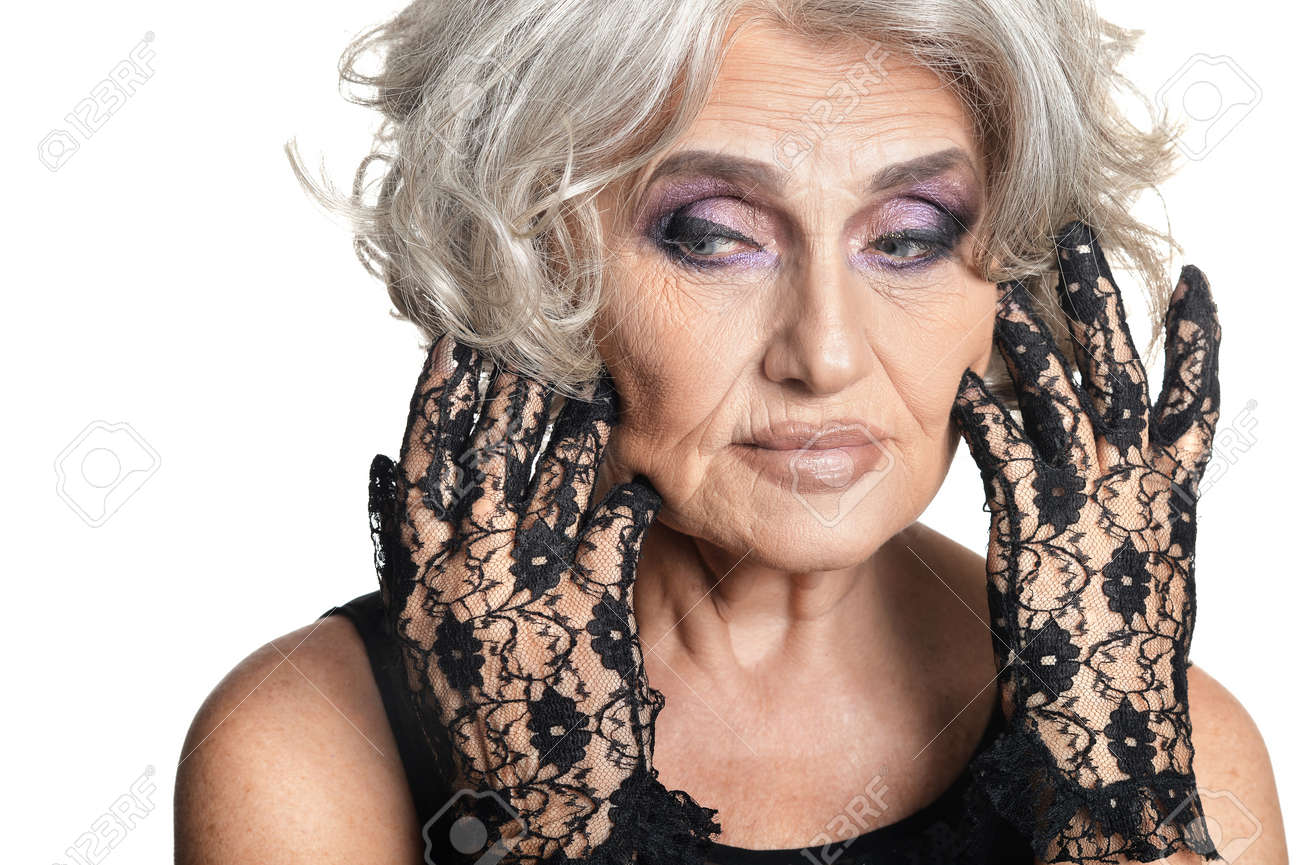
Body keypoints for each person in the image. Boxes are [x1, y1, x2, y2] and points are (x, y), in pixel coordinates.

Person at [175, 2, 1286, 863]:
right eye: (713, 236)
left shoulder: (1162, 743)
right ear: (529, 265)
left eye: (908, 237)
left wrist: (1114, 812)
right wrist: (545, 824)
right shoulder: (312, 740)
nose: (825, 353)